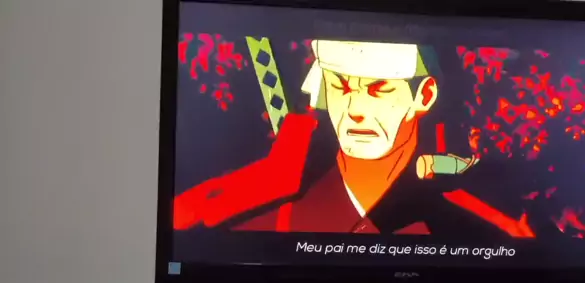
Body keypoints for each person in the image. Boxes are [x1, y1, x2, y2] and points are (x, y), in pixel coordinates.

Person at [174, 39, 532, 238]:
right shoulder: (263, 207)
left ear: (423, 96)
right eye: (341, 87)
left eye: (379, 90)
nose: (355, 110)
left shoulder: (478, 224)